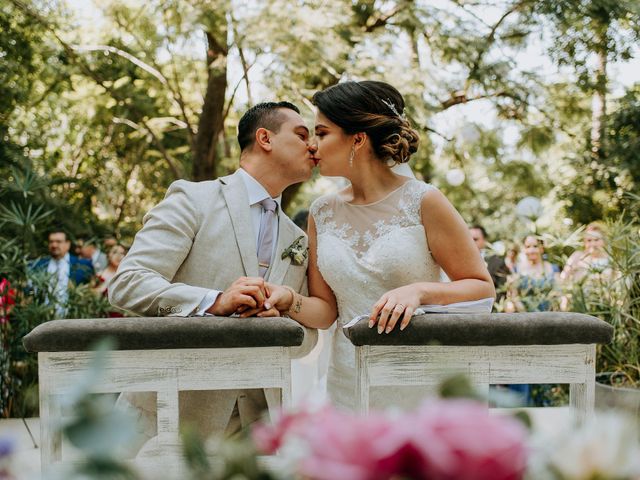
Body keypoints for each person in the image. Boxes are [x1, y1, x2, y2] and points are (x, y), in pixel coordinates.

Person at [261, 81, 495, 411]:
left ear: (357, 139)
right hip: (348, 382)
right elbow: (327, 311)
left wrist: (418, 292)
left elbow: (482, 287)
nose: (313, 145)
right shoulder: (322, 212)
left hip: (418, 382)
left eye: (323, 133)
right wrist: (288, 300)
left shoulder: (424, 201)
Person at [108, 101, 318, 442]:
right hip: (169, 416)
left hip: (256, 430)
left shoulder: (299, 238)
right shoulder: (192, 199)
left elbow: (307, 338)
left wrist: (279, 327)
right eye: (301, 134)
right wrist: (214, 301)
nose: (313, 146)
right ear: (265, 138)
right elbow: (128, 283)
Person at [31, 230, 94, 316]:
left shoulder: (82, 265)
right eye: (51, 242)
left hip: (73, 318)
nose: (54, 245)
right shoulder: (39, 265)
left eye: (58, 242)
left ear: (68, 244)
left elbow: (91, 290)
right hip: (43, 318)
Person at [469, 225, 510, 301]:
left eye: (475, 239)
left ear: (484, 241)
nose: (471, 242)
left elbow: (502, 289)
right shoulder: (460, 260)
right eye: (468, 239)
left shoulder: (497, 261)